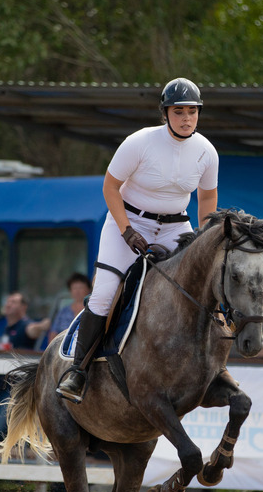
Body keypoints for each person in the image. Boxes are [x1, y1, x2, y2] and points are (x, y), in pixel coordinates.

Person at [56, 77, 219, 402]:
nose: (186, 118)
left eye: (192, 111)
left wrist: (205, 239)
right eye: (179, 111)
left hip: (176, 226)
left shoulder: (207, 151)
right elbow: (110, 187)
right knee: (103, 294)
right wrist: (126, 229)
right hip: (129, 221)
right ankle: (78, 371)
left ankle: (210, 365)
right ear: (165, 113)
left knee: (204, 285)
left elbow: (207, 198)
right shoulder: (139, 142)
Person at [48, 272, 92, 342]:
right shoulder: (63, 312)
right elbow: (53, 335)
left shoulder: (92, 311)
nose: (77, 291)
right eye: (74, 288)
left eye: (81, 288)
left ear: (89, 289)